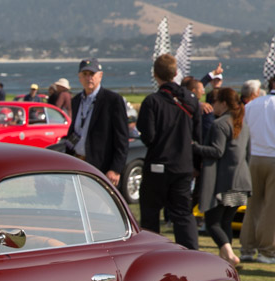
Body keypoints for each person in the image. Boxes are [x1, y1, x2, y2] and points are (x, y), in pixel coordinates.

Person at [136, 54, 201, 250]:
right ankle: (191, 255)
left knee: (150, 214)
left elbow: (148, 136)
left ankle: (153, 254)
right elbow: (198, 136)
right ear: (175, 73)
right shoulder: (191, 99)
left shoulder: (152, 101)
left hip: (158, 164)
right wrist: (196, 165)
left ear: (155, 74)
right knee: (183, 214)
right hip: (183, 166)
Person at [192, 86, 250, 267]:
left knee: (213, 223)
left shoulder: (220, 124)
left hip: (225, 182)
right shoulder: (243, 124)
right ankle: (227, 259)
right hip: (242, 182)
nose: (212, 105)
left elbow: (217, 151)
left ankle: (231, 256)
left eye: (215, 101)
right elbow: (248, 154)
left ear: (223, 103)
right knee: (226, 221)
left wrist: (193, 146)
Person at [240, 67, 275, 264]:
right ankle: (267, 251)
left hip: (255, 157)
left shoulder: (254, 104)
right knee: (274, 208)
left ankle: (247, 248)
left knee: (253, 206)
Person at [67, 58, 128, 188]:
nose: (89, 78)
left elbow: (122, 138)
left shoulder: (113, 100)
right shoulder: (76, 100)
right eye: (85, 74)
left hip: (101, 167)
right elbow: (75, 132)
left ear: (100, 76)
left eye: (92, 74)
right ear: (79, 77)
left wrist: (116, 169)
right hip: (77, 163)